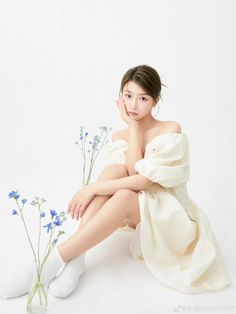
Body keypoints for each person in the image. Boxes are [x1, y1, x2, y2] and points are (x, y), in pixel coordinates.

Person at [0, 64, 230, 299]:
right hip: (142, 209)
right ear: (120, 96)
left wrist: (93, 188)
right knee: (114, 171)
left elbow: (142, 183)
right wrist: (133, 129)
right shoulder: (120, 136)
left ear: (155, 101)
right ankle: (77, 260)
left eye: (142, 98)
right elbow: (128, 172)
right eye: (128, 96)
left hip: (171, 215)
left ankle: (46, 265)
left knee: (123, 193)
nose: (132, 105)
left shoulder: (171, 130)